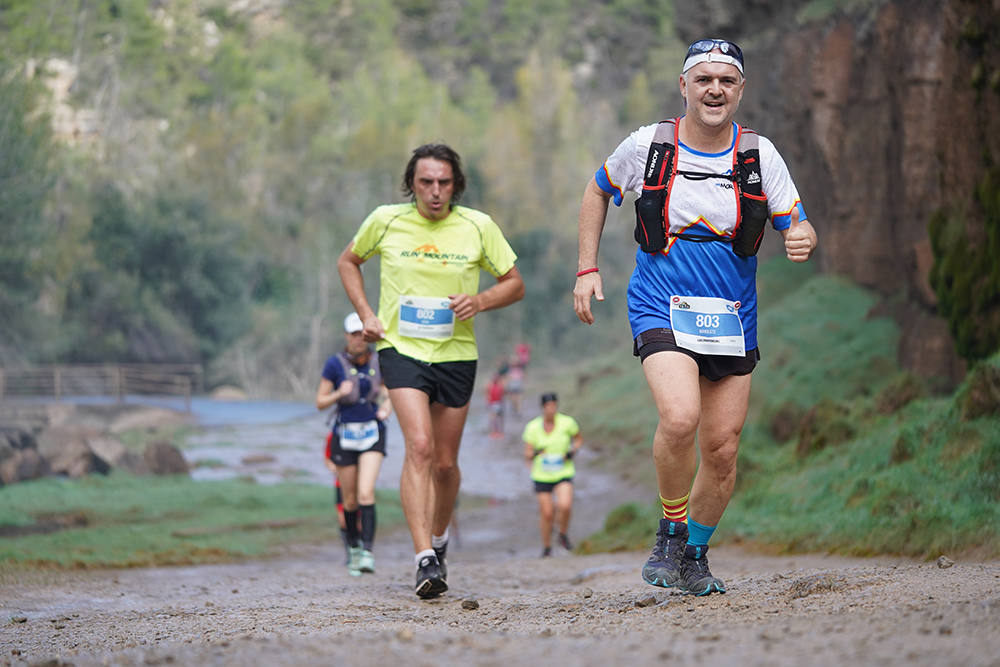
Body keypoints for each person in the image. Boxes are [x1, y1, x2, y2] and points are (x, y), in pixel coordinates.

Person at [573, 39, 817, 596]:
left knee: (723, 449)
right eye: (703, 79)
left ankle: (694, 556)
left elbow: (796, 223)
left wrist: (802, 236)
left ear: (740, 91)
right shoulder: (648, 145)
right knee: (680, 418)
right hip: (660, 300)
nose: (714, 90)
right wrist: (587, 269)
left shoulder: (760, 155)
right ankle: (670, 527)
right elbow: (598, 189)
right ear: (684, 85)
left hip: (732, 314)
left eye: (726, 82)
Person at [337, 143, 525, 599]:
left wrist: (479, 301)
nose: (435, 192)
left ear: (455, 185)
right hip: (402, 350)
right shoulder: (386, 220)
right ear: (412, 185)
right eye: (426, 183)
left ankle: (439, 540)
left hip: (456, 353)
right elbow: (349, 262)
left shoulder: (477, 226)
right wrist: (365, 313)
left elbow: (515, 284)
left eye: (444, 182)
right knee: (418, 447)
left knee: (445, 463)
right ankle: (423, 557)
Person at [316, 312, 392, 576]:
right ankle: (354, 548)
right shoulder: (334, 365)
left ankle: (368, 552)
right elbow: (320, 401)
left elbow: (390, 390)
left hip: (373, 432)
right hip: (345, 434)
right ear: (346, 336)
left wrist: (387, 407)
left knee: (365, 494)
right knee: (349, 500)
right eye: (354, 334)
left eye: (363, 334)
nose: (359, 339)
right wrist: (339, 392)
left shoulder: (380, 361)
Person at [522, 392, 582, 557]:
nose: (551, 409)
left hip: (563, 471)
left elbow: (578, 439)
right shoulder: (533, 427)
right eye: (548, 406)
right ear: (542, 408)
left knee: (565, 505)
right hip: (542, 474)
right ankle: (547, 546)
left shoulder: (567, 422)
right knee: (547, 512)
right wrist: (536, 453)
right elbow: (527, 453)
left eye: (554, 406)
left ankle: (562, 534)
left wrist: (572, 452)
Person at [486, 373, 506, 438]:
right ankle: (495, 432)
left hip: (497, 404)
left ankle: (499, 432)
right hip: (494, 404)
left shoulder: (499, 386)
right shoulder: (491, 386)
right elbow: (488, 395)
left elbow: (502, 395)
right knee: (495, 419)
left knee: (498, 418)